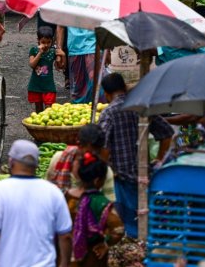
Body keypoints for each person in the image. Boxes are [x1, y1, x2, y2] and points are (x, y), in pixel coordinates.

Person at [0, 139, 72, 267]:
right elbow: (65, 236)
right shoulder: (53, 192)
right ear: (36, 165)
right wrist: (64, 264)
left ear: (11, 162)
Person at [99, 73, 147, 238]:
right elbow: (166, 133)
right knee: (143, 215)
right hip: (145, 173)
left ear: (106, 94)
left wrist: (105, 172)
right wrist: (159, 160)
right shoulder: (140, 108)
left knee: (125, 223)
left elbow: (103, 147)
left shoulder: (109, 113)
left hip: (121, 175)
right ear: (125, 88)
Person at [71, 153, 124, 267]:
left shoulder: (68, 198)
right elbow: (118, 230)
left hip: (70, 253)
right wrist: (106, 243)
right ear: (97, 180)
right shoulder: (102, 203)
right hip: (93, 255)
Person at [47, 124, 115, 200]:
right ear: (79, 144)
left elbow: (108, 204)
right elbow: (48, 190)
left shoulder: (104, 171)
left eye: (97, 151)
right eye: (90, 151)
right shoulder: (58, 159)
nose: (93, 155)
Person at [28, 26, 60, 112]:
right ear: (38, 40)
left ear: (52, 41)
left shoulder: (53, 51)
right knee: (38, 108)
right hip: (36, 84)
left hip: (48, 85)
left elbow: (60, 66)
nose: (46, 45)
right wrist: (39, 53)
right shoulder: (33, 50)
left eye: (48, 42)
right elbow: (32, 64)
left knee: (48, 108)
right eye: (43, 42)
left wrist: (62, 56)